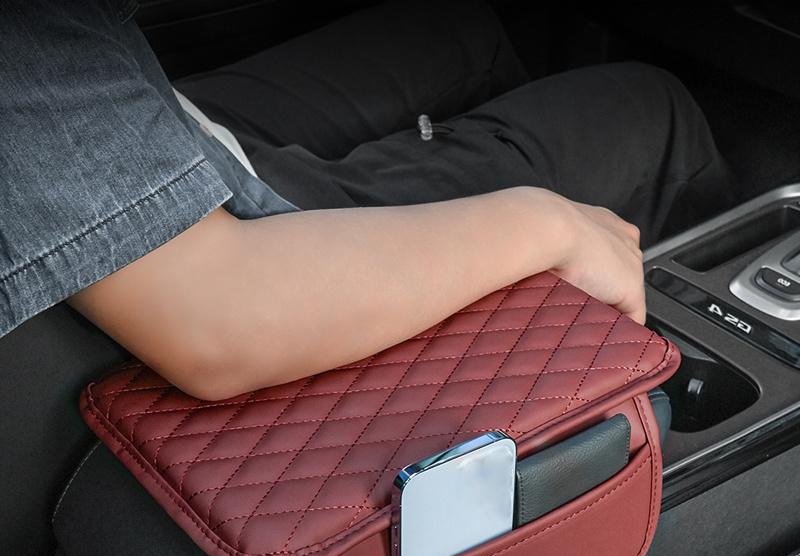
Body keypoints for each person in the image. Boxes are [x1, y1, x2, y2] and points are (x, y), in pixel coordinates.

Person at [1, 0, 731, 401]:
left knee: (460, 26)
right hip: (220, 250)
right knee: (650, 109)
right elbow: (214, 320)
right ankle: (677, 391)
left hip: (143, 123)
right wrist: (551, 223)